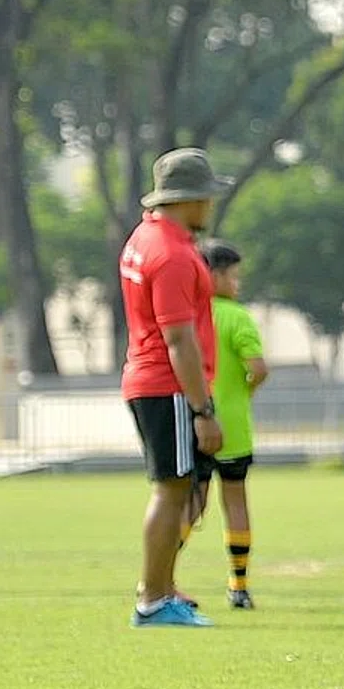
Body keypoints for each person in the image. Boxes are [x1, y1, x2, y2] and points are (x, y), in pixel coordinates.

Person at [120, 148, 229, 628]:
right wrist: (203, 411)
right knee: (172, 489)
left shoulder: (145, 237)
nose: (211, 206)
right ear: (190, 199)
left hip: (152, 380)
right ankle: (153, 598)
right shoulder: (173, 254)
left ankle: (162, 587)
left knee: (178, 488)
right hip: (169, 385)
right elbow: (178, 337)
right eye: (207, 197)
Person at [201, 240, 269, 609]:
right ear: (213, 275)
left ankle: (165, 582)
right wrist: (243, 394)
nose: (237, 283)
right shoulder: (236, 316)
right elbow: (257, 369)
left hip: (193, 423)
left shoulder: (190, 314)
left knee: (189, 505)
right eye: (232, 275)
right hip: (233, 428)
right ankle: (238, 585)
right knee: (235, 501)